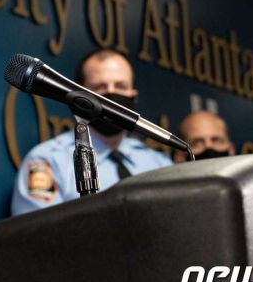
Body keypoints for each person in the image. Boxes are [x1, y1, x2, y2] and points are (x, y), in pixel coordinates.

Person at [11, 49, 172, 216]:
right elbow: (39, 230)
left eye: (121, 86)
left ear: (133, 95)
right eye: (99, 87)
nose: (111, 94)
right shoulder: (49, 161)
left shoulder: (159, 164)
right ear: (80, 96)